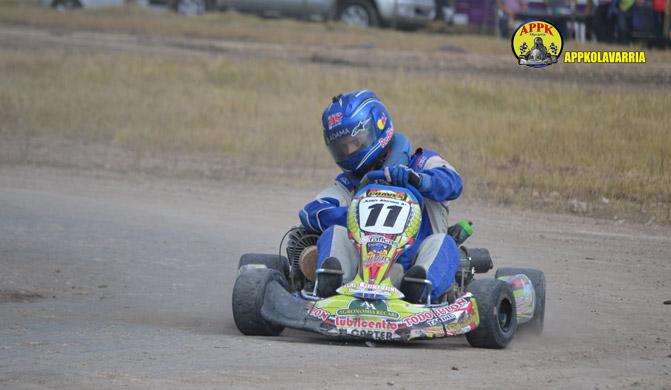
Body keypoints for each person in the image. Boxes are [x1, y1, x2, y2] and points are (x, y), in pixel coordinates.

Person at [298, 90, 463, 304]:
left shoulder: (422, 163)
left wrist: (420, 180)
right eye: (342, 147)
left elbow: (453, 183)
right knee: (335, 233)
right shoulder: (350, 183)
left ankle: (419, 291)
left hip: (414, 262)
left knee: (443, 242)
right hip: (362, 270)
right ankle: (331, 286)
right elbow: (312, 211)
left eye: (354, 142)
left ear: (378, 126)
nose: (348, 151)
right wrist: (356, 215)